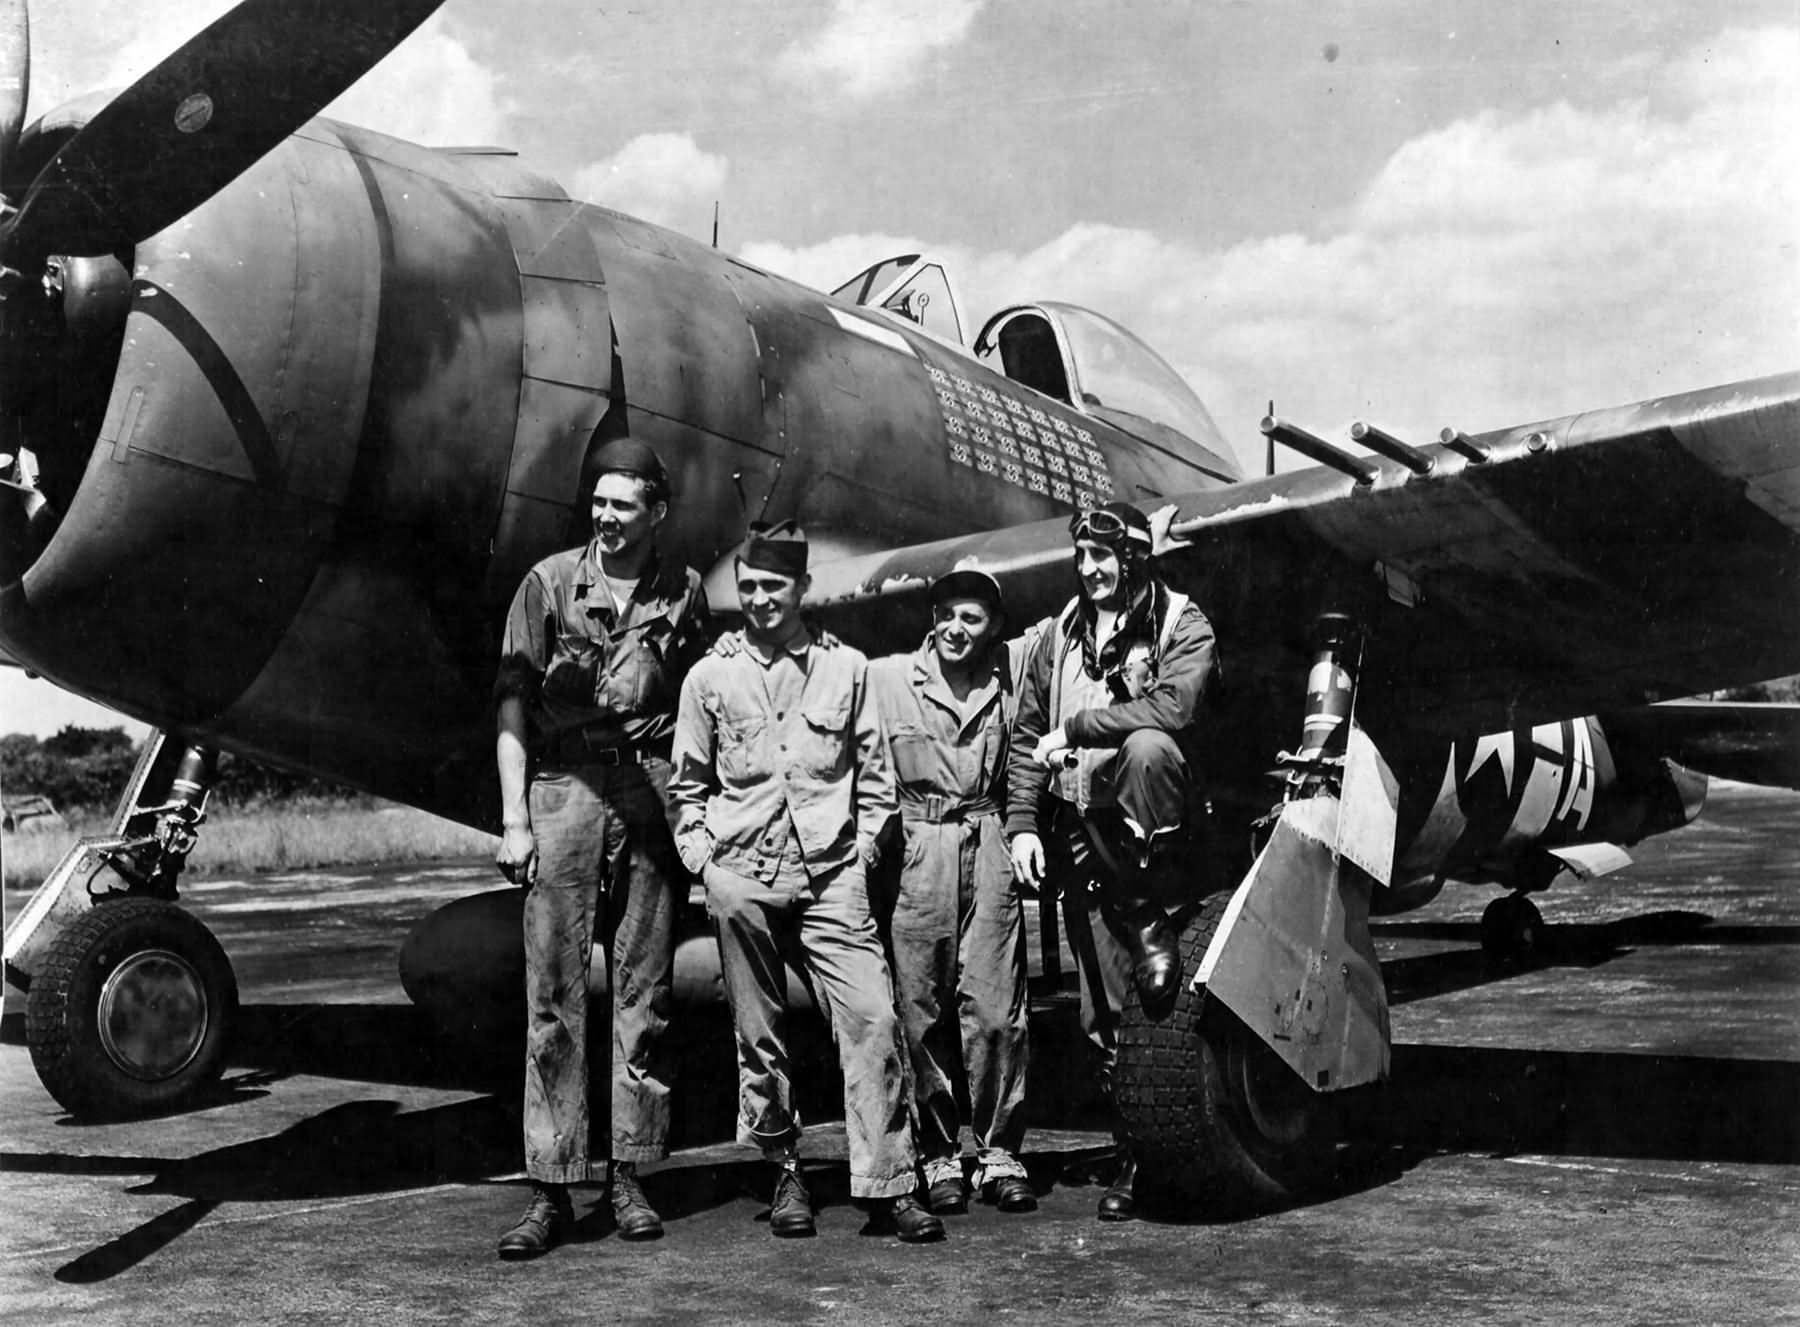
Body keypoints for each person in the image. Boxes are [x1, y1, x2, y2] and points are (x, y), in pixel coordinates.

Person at [668, 521, 944, 1244]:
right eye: (749, 587)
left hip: (830, 876)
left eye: (774, 587)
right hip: (743, 876)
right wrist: (707, 866)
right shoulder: (711, 675)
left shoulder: (845, 668)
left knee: (873, 1020)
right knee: (758, 1035)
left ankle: (888, 1182)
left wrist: (858, 862)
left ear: (802, 589)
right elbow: (686, 785)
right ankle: (784, 1167)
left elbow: (877, 780)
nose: (759, 599)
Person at [491, 438, 711, 1260]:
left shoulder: (684, 592)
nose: (606, 517)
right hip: (563, 791)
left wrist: (696, 805)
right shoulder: (548, 584)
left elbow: (701, 701)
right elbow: (512, 705)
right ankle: (550, 1187)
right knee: (551, 996)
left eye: (624, 505)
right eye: (599, 503)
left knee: (643, 991)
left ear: (657, 510)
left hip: (650, 793)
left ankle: (630, 1174)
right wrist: (516, 818)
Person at [1005, 500, 1218, 1222]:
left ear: (1132, 557)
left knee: (1147, 745)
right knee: (1104, 1004)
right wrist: (1024, 824)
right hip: (1080, 835)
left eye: (1105, 556)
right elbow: (1030, 731)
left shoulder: (1183, 620)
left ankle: (1152, 912)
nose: (1091, 569)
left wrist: (1082, 725)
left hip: (1157, 825)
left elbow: (1175, 709)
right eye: (1082, 556)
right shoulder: (1058, 636)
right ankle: (1134, 1150)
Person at [868, 569, 1035, 1217]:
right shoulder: (888, 678)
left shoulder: (1011, 679)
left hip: (987, 834)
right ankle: (937, 1152)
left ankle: (999, 1151)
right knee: (920, 1005)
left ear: (993, 625)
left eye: (971, 617)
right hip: (917, 842)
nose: (955, 629)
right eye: (946, 614)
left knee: (995, 1006)